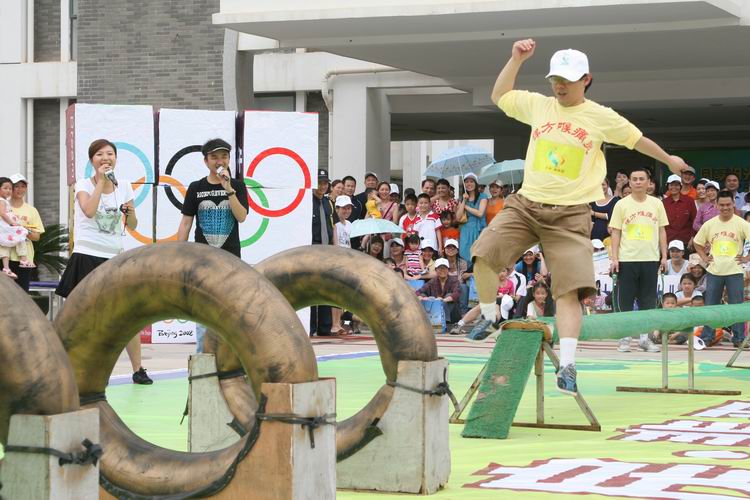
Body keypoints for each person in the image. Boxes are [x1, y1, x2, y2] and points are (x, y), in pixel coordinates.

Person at [471, 39, 689, 395]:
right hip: (526, 205)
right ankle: (488, 315)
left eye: (568, 80)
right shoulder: (539, 105)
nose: (560, 86)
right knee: (483, 254)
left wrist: (668, 160)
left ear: (586, 79)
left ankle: (568, 366)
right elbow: (500, 95)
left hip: (570, 215)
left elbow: (637, 140)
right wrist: (516, 60)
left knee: (569, 291)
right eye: (555, 79)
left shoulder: (601, 116)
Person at [56, 139, 153, 385]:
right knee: (81, 315)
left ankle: (138, 369)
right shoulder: (83, 184)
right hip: (86, 254)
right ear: (92, 160)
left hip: (114, 257)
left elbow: (133, 226)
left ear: (116, 158)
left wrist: (130, 213)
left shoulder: (125, 187)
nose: (105, 158)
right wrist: (101, 182)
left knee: (128, 314)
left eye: (110, 154)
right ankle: (72, 366)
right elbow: (89, 211)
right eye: (100, 154)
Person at [177, 138, 249, 350]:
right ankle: (203, 357)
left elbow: (241, 216)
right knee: (203, 311)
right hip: (203, 260)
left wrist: (229, 189)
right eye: (214, 157)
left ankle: (231, 357)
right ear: (206, 161)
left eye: (224, 156)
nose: (220, 161)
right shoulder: (196, 187)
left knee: (231, 308)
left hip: (230, 260)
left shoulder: (237, 185)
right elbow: (186, 223)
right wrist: (177, 255)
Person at [609, 167, 667, 353]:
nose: (638, 182)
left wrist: (664, 256)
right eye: (634, 179)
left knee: (648, 301)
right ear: (630, 182)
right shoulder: (621, 204)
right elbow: (616, 232)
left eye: (642, 179)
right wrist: (614, 258)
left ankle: (644, 339)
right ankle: (624, 338)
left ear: (649, 182)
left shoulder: (657, 204)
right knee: (625, 300)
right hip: (627, 259)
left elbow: (662, 230)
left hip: (650, 259)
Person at [694, 190, 750, 348]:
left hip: (735, 271)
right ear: (717, 205)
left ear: (733, 204)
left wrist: (746, 258)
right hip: (714, 271)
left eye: (728, 204)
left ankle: (739, 338)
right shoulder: (710, 224)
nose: (725, 208)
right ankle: (707, 337)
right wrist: (704, 258)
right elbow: (697, 243)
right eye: (722, 205)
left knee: (736, 306)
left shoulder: (741, 223)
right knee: (711, 306)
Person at [308, 168, 335, 336]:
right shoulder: (306, 202)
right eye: (320, 182)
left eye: (325, 183)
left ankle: (325, 327)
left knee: (326, 289)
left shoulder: (328, 202)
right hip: (312, 249)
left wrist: (335, 249)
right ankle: (310, 326)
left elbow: (333, 226)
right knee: (311, 289)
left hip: (327, 250)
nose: (323, 186)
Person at [5, 174, 44, 291]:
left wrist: (23, 230)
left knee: (21, 293)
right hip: (5, 256)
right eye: (16, 186)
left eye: (23, 186)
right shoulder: (3, 206)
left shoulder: (32, 210)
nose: (20, 189)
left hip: (24, 259)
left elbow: (37, 237)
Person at [452, 267, 516, 336]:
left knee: (494, 305)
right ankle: (459, 324)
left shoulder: (510, 283)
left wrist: (504, 297)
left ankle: (486, 327)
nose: (502, 274)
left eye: (503, 271)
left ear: (507, 272)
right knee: (488, 305)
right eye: (499, 271)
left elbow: (512, 297)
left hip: (504, 309)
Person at [0, 177, 31, 278]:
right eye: (5, 188)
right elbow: (2, 213)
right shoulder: (2, 201)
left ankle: (6, 268)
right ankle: (23, 259)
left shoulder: (3, 200)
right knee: (21, 234)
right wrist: (13, 223)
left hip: (3, 228)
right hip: (7, 226)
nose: (8, 190)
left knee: (5, 246)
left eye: (10, 188)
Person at [416, 258, 461, 325]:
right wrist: (423, 298)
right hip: (435, 313)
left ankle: (445, 321)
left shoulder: (454, 280)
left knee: (449, 295)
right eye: (440, 268)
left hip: (452, 315)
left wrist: (443, 300)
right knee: (422, 295)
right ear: (436, 270)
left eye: (444, 268)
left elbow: (456, 293)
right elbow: (418, 292)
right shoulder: (432, 281)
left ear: (448, 270)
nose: (442, 271)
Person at [456, 173, 488, 262]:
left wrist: (466, 207)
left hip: (479, 228)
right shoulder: (462, 198)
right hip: (466, 229)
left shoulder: (483, 196)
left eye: (471, 181)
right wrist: (464, 201)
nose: (469, 184)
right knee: (464, 253)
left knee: (478, 254)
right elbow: (458, 217)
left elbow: (480, 213)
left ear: (476, 183)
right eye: (466, 182)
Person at [663, 174, 696, 250]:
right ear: (667, 186)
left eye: (676, 185)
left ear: (680, 186)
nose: (674, 187)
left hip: (686, 241)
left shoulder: (689, 201)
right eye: (671, 185)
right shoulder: (663, 203)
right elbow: (662, 224)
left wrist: (693, 237)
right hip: (669, 241)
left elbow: (694, 221)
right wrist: (663, 243)